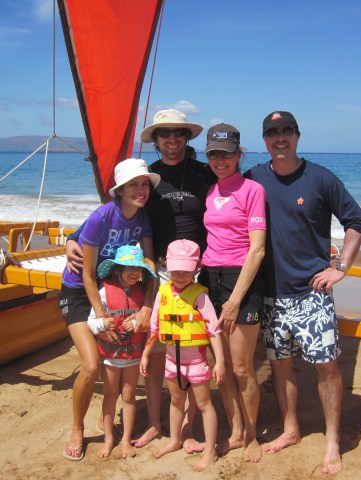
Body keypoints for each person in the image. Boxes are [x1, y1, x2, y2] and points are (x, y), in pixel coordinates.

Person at [65, 109, 215, 451]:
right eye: (165, 133)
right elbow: (105, 216)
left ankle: (187, 428)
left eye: (179, 133)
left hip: (197, 273)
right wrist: (71, 238)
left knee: (193, 350)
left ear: (187, 138)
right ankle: (156, 424)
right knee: (157, 353)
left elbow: (231, 202)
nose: (173, 139)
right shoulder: (148, 177)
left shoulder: (204, 174)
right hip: (159, 273)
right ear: (157, 140)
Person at [245, 111, 361, 475]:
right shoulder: (254, 179)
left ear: (297, 136)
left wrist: (340, 267)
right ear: (265, 140)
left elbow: (356, 221)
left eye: (286, 131)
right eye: (272, 133)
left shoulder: (320, 178)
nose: (279, 138)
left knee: (326, 367)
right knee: (280, 367)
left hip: (312, 295)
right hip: (271, 295)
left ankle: (332, 440)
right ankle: (290, 429)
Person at [59, 158, 159, 461]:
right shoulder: (102, 216)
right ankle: (77, 429)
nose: (141, 191)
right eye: (133, 185)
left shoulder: (142, 218)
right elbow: (87, 274)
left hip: (113, 294)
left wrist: (146, 307)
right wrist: (102, 317)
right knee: (90, 366)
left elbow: (150, 264)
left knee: (116, 359)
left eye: (144, 185)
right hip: (79, 294)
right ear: (120, 189)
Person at [201, 124, 267, 463]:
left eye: (226, 153)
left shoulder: (252, 189)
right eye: (213, 153)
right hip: (210, 278)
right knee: (220, 364)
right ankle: (236, 431)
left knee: (242, 368)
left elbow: (256, 250)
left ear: (238, 154)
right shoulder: (211, 191)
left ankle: (252, 434)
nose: (220, 159)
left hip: (241, 281)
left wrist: (235, 299)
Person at [140, 239, 226, 471]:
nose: (179, 275)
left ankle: (210, 451)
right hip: (171, 361)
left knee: (205, 404)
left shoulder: (200, 296)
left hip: (196, 362)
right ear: (167, 266)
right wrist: (147, 353)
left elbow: (214, 331)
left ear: (196, 269)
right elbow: (155, 327)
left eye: (186, 270)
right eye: (175, 269)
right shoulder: (163, 292)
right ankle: (175, 440)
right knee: (176, 402)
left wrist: (220, 362)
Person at [88, 245, 157, 459]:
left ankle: (126, 439)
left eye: (138, 269)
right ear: (117, 269)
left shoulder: (144, 296)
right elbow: (91, 322)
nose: (134, 272)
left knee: (129, 395)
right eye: (128, 267)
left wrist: (138, 322)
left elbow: (153, 324)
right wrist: (102, 325)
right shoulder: (104, 292)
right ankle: (109, 438)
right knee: (110, 395)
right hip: (110, 358)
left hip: (133, 358)